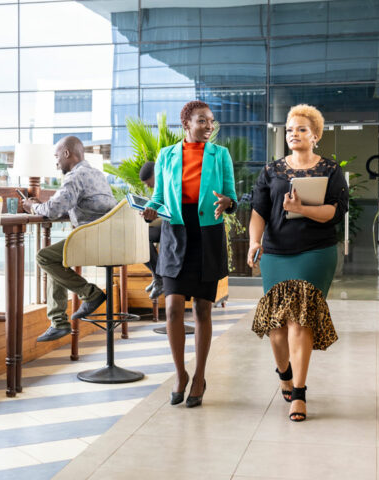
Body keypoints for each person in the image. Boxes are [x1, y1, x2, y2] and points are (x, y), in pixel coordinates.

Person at [247, 104, 349, 421]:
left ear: (315, 135)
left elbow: (335, 212)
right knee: (277, 329)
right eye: (290, 130)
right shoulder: (271, 171)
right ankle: (284, 375)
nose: (294, 134)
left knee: (300, 319)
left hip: (314, 252)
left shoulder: (330, 170)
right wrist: (254, 241)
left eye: (301, 129)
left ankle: (300, 395)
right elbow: (259, 212)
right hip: (276, 253)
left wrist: (302, 209)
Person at [142, 100, 237, 408]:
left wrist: (226, 203)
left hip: (207, 234)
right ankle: (180, 373)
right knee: (172, 308)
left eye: (211, 121)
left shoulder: (220, 155)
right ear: (186, 124)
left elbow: (232, 197)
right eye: (202, 121)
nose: (209, 126)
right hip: (175, 234)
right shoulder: (166, 155)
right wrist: (150, 209)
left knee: (203, 311)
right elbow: (158, 196)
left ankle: (199, 376)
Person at [23, 136, 118, 342]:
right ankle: (58, 322)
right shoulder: (97, 174)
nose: (56, 163)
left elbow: (54, 210)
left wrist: (32, 207)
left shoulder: (76, 176)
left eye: (57, 157)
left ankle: (89, 294)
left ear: (67, 153)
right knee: (56, 258)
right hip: (109, 239)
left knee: (44, 257)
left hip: (94, 240)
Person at [138, 161, 163, 299]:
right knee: (139, 238)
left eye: (148, 182)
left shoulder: (167, 185)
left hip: (175, 228)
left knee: (142, 235)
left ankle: (159, 278)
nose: (147, 186)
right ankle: (158, 277)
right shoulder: (157, 191)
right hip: (164, 227)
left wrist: (153, 219)